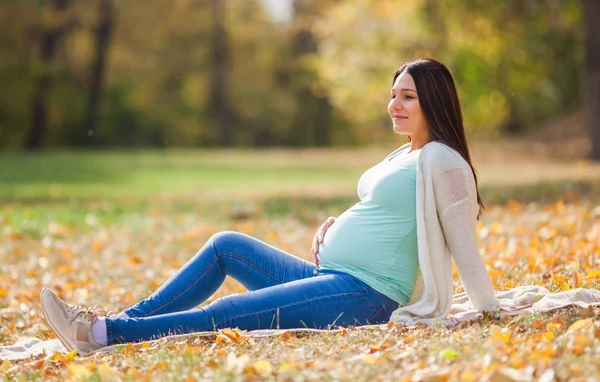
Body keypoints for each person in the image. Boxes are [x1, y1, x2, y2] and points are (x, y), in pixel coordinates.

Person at [40, 58, 503, 355]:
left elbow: (462, 239)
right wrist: (337, 225)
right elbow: (389, 212)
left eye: (408, 97)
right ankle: (123, 320)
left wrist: (488, 308)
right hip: (331, 280)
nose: (393, 105)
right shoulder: (405, 153)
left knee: (229, 315)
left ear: (434, 102)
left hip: (366, 296)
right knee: (227, 245)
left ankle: (102, 335)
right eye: (393, 93)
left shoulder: (443, 159)